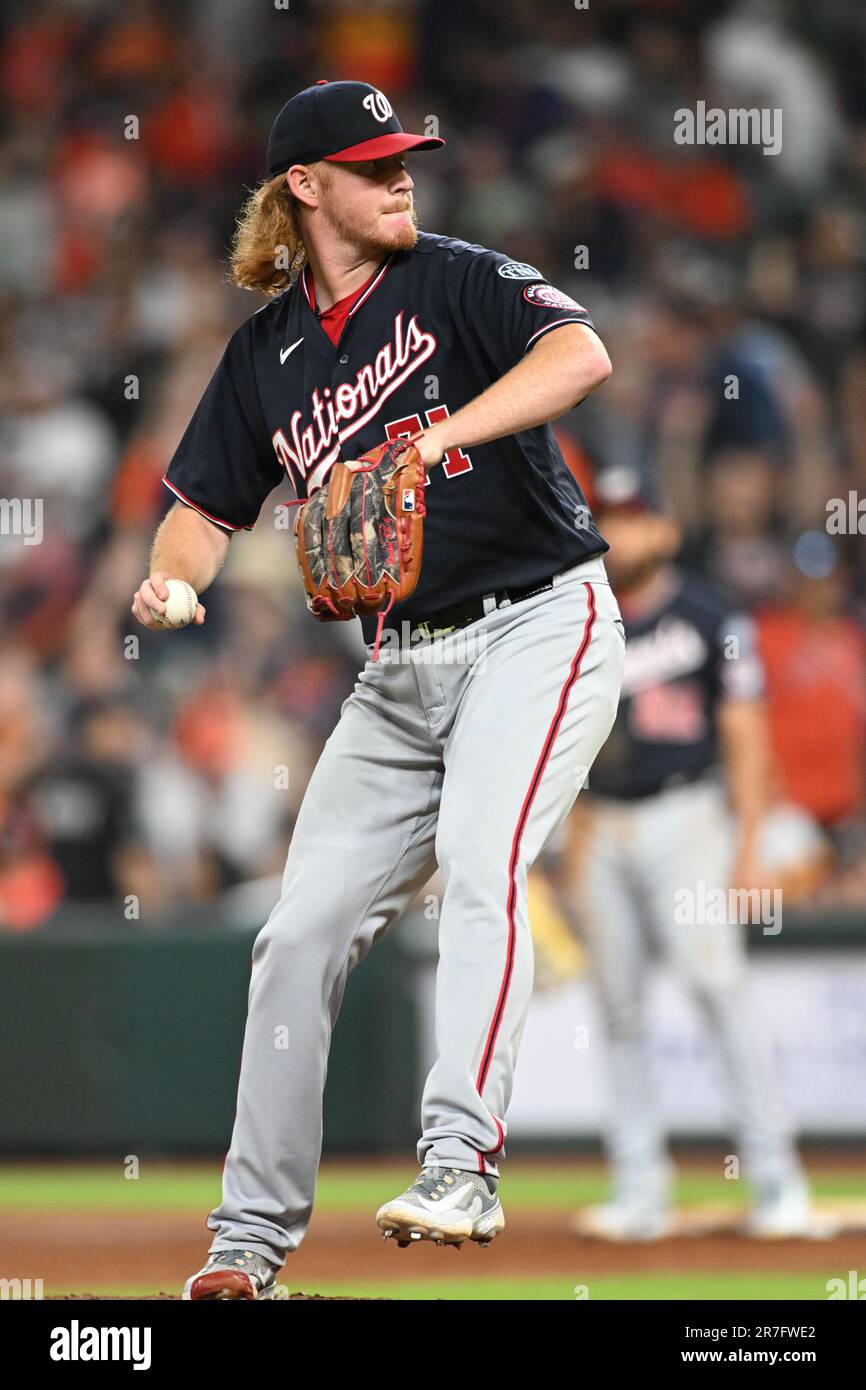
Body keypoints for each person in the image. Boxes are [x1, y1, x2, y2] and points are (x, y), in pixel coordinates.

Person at [130, 79, 625, 1299]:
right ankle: (246, 1250)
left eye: (407, 157)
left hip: (537, 621)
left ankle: (460, 1159)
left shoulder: (455, 277)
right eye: (375, 162)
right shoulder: (264, 359)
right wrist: (168, 583)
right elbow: (198, 509)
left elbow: (580, 352)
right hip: (398, 673)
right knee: (292, 937)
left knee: (479, 859)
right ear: (306, 187)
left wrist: (441, 433)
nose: (404, 175)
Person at [558, 466, 819, 1240]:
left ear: (666, 531)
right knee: (619, 1009)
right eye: (608, 518)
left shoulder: (711, 615)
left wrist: (748, 846)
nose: (621, 533)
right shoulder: (574, 620)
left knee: (716, 987)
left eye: (634, 518)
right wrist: (571, 842)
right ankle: (641, 1188)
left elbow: (746, 734)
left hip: (688, 815)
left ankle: (775, 1180)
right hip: (602, 825)